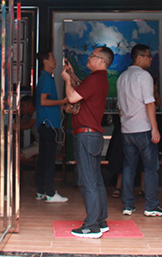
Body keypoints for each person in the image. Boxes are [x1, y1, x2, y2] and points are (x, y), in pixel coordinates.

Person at [61, 46, 114, 238]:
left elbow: (72, 97)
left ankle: (91, 225)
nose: (88, 58)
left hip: (86, 135)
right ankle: (101, 220)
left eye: (92, 56)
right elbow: (82, 90)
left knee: (87, 181)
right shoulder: (99, 79)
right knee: (96, 179)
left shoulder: (95, 79)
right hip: (93, 135)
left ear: (101, 61)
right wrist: (72, 75)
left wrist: (67, 80)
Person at [117, 44, 162, 217]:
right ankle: (151, 205)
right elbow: (150, 103)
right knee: (150, 168)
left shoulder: (122, 77)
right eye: (148, 56)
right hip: (143, 128)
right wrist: (155, 128)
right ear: (139, 58)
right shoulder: (144, 76)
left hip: (127, 129)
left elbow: (119, 107)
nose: (151, 59)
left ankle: (128, 205)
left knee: (128, 167)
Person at [35, 50, 69, 203]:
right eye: (52, 58)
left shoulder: (44, 78)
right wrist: (62, 102)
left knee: (43, 158)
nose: (55, 60)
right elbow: (44, 101)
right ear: (45, 61)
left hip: (44, 124)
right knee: (49, 160)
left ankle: (41, 191)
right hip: (49, 125)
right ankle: (50, 193)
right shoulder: (47, 79)